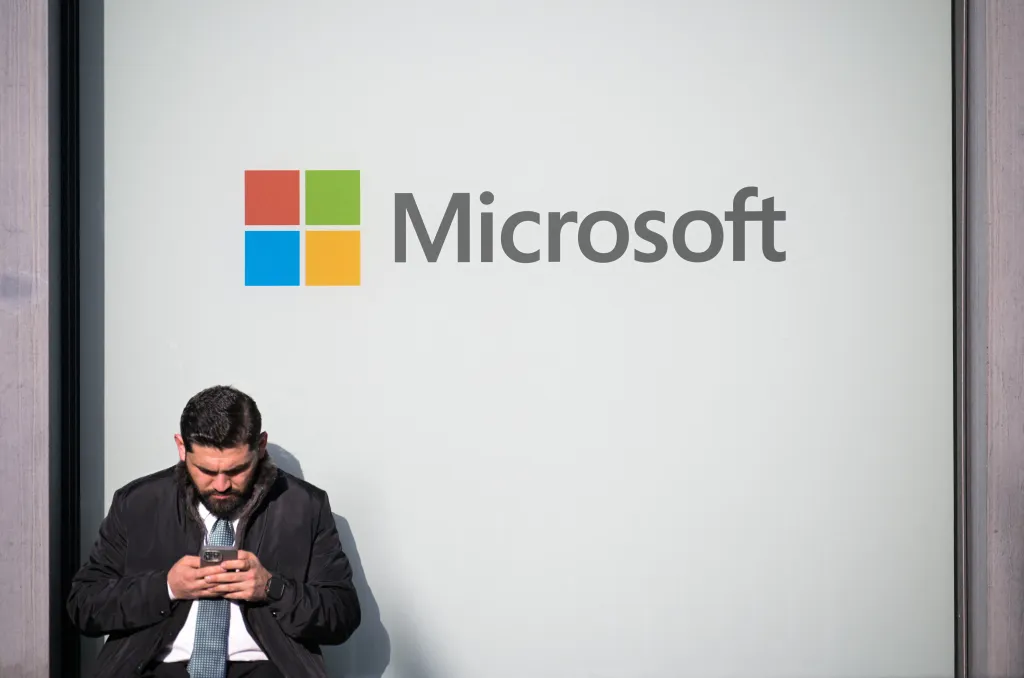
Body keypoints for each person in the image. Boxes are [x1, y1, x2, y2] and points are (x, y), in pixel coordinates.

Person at [67, 385, 361, 678]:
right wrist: (165, 587)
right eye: (206, 471)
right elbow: (84, 605)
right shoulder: (138, 504)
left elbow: (342, 615)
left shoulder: (304, 507)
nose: (221, 485)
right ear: (181, 448)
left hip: (266, 669)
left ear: (260, 447)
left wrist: (272, 588)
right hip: (156, 668)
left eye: (236, 470)